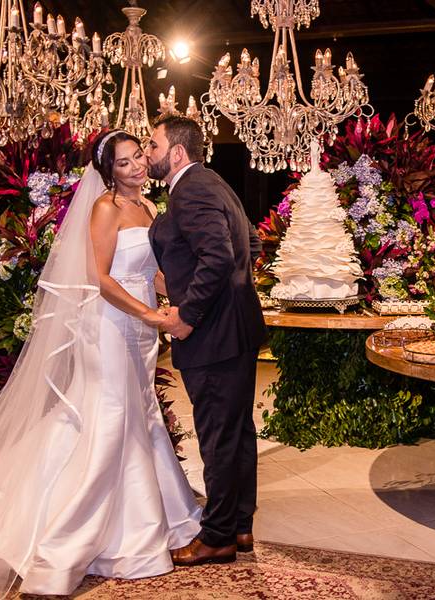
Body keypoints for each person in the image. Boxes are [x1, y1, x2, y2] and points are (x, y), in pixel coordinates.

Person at [0, 130, 202, 599]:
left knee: (143, 416)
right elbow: (100, 279)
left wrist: (174, 299)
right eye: (124, 163)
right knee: (111, 420)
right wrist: (149, 313)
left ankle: (159, 522)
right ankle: (61, 547)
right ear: (107, 172)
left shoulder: (149, 209)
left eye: (139, 157)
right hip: (111, 326)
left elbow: (147, 272)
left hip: (141, 330)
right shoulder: (105, 209)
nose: (136, 167)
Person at [146, 114, 267, 566]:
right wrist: (234, 285)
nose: (149, 154)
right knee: (236, 432)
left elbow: (217, 255)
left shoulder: (190, 189)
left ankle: (216, 536)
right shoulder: (213, 181)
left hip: (213, 334)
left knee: (218, 436)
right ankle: (239, 526)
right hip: (236, 327)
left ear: (177, 152)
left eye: (154, 146)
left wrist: (186, 314)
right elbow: (249, 244)